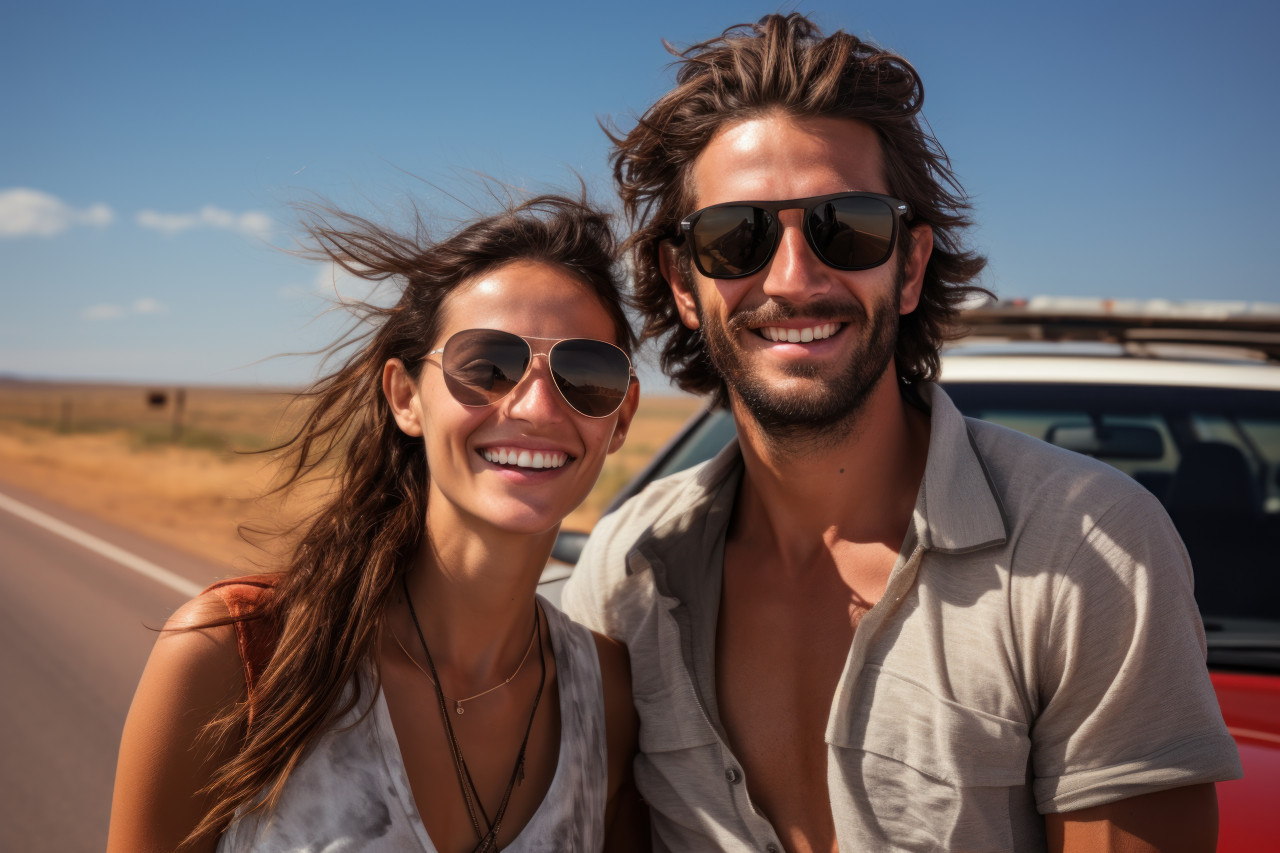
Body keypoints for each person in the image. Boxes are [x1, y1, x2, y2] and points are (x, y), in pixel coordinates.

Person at [562, 14, 1242, 853]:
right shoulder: (623, 569)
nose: (792, 277)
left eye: (846, 226)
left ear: (911, 265)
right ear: (681, 282)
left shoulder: (1088, 554)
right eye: (733, 237)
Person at [107, 195, 648, 852]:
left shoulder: (609, 697)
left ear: (620, 415)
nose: (536, 406)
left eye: (584, 373)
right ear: (405, 397)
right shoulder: (239, 655)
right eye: (487, 365)